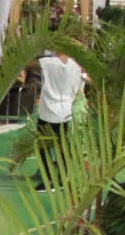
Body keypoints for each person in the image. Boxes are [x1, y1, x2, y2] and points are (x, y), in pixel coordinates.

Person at [33, 50, 87, 190]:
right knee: (63, 148)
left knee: (42, 148)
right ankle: (63, 179)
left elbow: (27, 63)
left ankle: (48, 180)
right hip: (66, 112)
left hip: (48, 112)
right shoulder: (76, 66)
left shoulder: (47, 62)